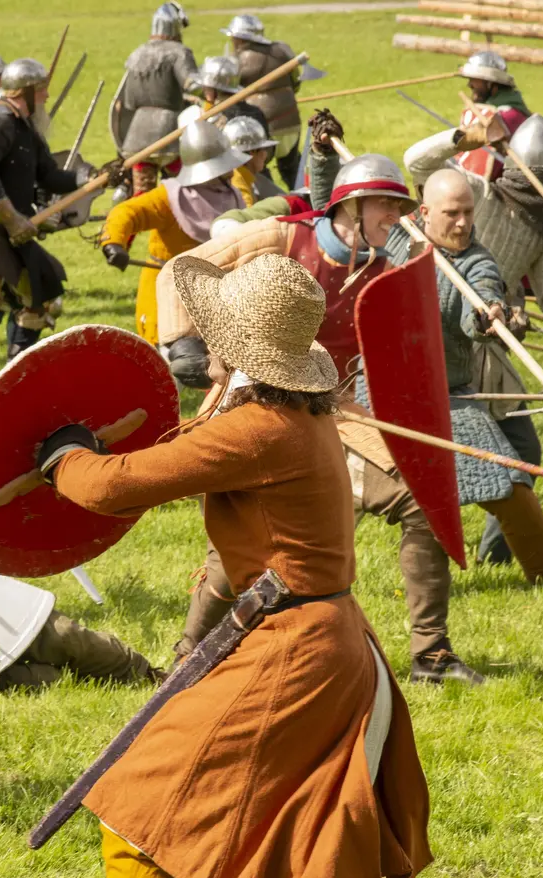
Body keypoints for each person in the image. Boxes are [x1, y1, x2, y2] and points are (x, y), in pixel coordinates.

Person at [36, 251, 521, 878]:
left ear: (237, 346)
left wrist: (62, 453)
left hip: (293, 655)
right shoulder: (298, 419)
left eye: (215, 333)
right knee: (307, 855)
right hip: (318, 645)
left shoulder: (259, 429)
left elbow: (108, 486)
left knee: (136, 817)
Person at [156, 120, 487, 684]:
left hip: (331, 411)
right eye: (386, 206)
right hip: (253, 409)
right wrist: (195, 349)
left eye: (398, 207)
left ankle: (431, 654)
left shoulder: (385, 271)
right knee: (246, 538)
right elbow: (180, 272)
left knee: (422, 504)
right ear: (350, 207)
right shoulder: (283, 239)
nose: (396, 218)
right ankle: (189, 657)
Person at [405, 113, 543, 565]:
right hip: (432, 336)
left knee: (522, 447)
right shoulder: (479, 195)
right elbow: (417, 162)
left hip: (486, 335)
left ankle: (496, 553)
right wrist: (465, 137)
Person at [0, 58, 110, 410]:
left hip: (10, 231)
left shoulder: (23, 127)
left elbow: (48, 175)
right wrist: (12, 217)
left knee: (43, 301)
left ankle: (12, 387)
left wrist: (90, 179)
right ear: (26, 92)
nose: (47, 94)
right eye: (41, 88)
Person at [98, 121, 251, 346]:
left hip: (212, 294)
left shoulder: (233, 195)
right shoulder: (169, 197)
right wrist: (113, 242)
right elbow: (127, 212)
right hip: (167, 293)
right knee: (169, 365)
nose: (232, 171)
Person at [111, 2, 200, 197]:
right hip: (169, 134)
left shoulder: (137, 54)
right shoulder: (178, 52)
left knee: (142, 197)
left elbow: (128, 102)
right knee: (181, 193)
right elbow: (193, 84)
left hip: (137, 136)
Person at [223, 14, 302, 186]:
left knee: (259, 172)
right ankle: (305, 204)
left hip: (264, 127)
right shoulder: (282, 50)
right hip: (292, 122)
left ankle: (272, 203)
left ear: (240, 38)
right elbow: (296, 82)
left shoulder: (237, 61)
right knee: (293, 171)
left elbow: (227, 92)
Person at [454, 51, 530, 179]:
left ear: (490, 83)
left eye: (474, 79)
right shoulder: (492, 109)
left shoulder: (509, 115)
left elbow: (491, 169)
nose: (469, 84)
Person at [222, 115, 284, 201]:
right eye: (263, 149)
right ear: (252, 152)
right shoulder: (238, 183)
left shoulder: (244, 176)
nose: (265, 154)